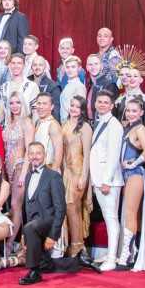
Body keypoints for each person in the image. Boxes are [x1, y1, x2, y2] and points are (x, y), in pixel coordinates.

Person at [18, 141, 68, 285]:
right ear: (28, 156)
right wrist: (23, 234)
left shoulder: (53, 176)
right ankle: (45, 263)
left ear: (45, 155)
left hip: (48, 221)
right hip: (33, 224)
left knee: (31, 228)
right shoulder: (28, 176)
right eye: (31, 153)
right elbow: (26, 207)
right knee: (30, 228)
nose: (35, 156)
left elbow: (61, 208)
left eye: (38, 153)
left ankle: (34, 272)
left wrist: (53, 235)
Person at [88, 90, 125, 271]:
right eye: (99, 101)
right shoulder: (101, 122)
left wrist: (106, 180)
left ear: (112, 106)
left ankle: (111, 258)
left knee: (111, 218)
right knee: (107, 217)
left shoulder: (114, 125)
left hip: (108, 180)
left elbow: (113, 154)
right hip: (98, 178)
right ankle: (112, 252)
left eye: (105, 102)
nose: (102, 104)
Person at [117, 97, 145, 271]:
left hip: (135, 174)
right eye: (128, 110)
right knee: (130, 214)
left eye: (134, 111)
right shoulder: (127, 127)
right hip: (124, 175)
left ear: (141, 112)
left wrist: (134, 163)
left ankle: (126, 256)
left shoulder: (140, 129)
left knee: (130, 214)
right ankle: (132, 252)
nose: (130, 113)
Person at [60, 95, 93, 260]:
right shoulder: (64, 125)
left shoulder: (85, 127)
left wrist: (84, 177)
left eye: (77, 107)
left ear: (82, 110)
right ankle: (72, 244)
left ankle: (78, 245)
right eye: (72, 105)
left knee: (73, 207)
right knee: (67, 209)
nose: (73, 109)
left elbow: (87, 155)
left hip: (78, 171)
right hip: (65, 172)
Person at [1, 91, 33, 248]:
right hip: (7, 169)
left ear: (23, 104)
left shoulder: (26, 122)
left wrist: (24, 173)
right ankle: (13, 242)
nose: (15, 106)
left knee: (15, 205)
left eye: (18, 102)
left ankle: (10, 244)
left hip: (20, 167)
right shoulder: (8, 122)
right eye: (12, 103)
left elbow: (29, 150)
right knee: (11, 206)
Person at [0, 53, 39, 122]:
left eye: (19, 63)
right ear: (9, 65)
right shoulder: (4, 87)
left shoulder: (32, 86)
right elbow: (0, 111)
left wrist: (33, 128)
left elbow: (35, 112)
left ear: (24, 66)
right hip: (8, 126)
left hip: (26, 126)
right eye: (13, 63)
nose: (16, 66)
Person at [31, 92, 63, 171]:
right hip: (37, 169)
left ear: (52, 107)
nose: (41, 107)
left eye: (44, 104)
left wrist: (52, 175)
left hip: (49, 170)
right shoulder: (38, 122)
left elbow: (58, 155)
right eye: (39, 103)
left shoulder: (53, 125)